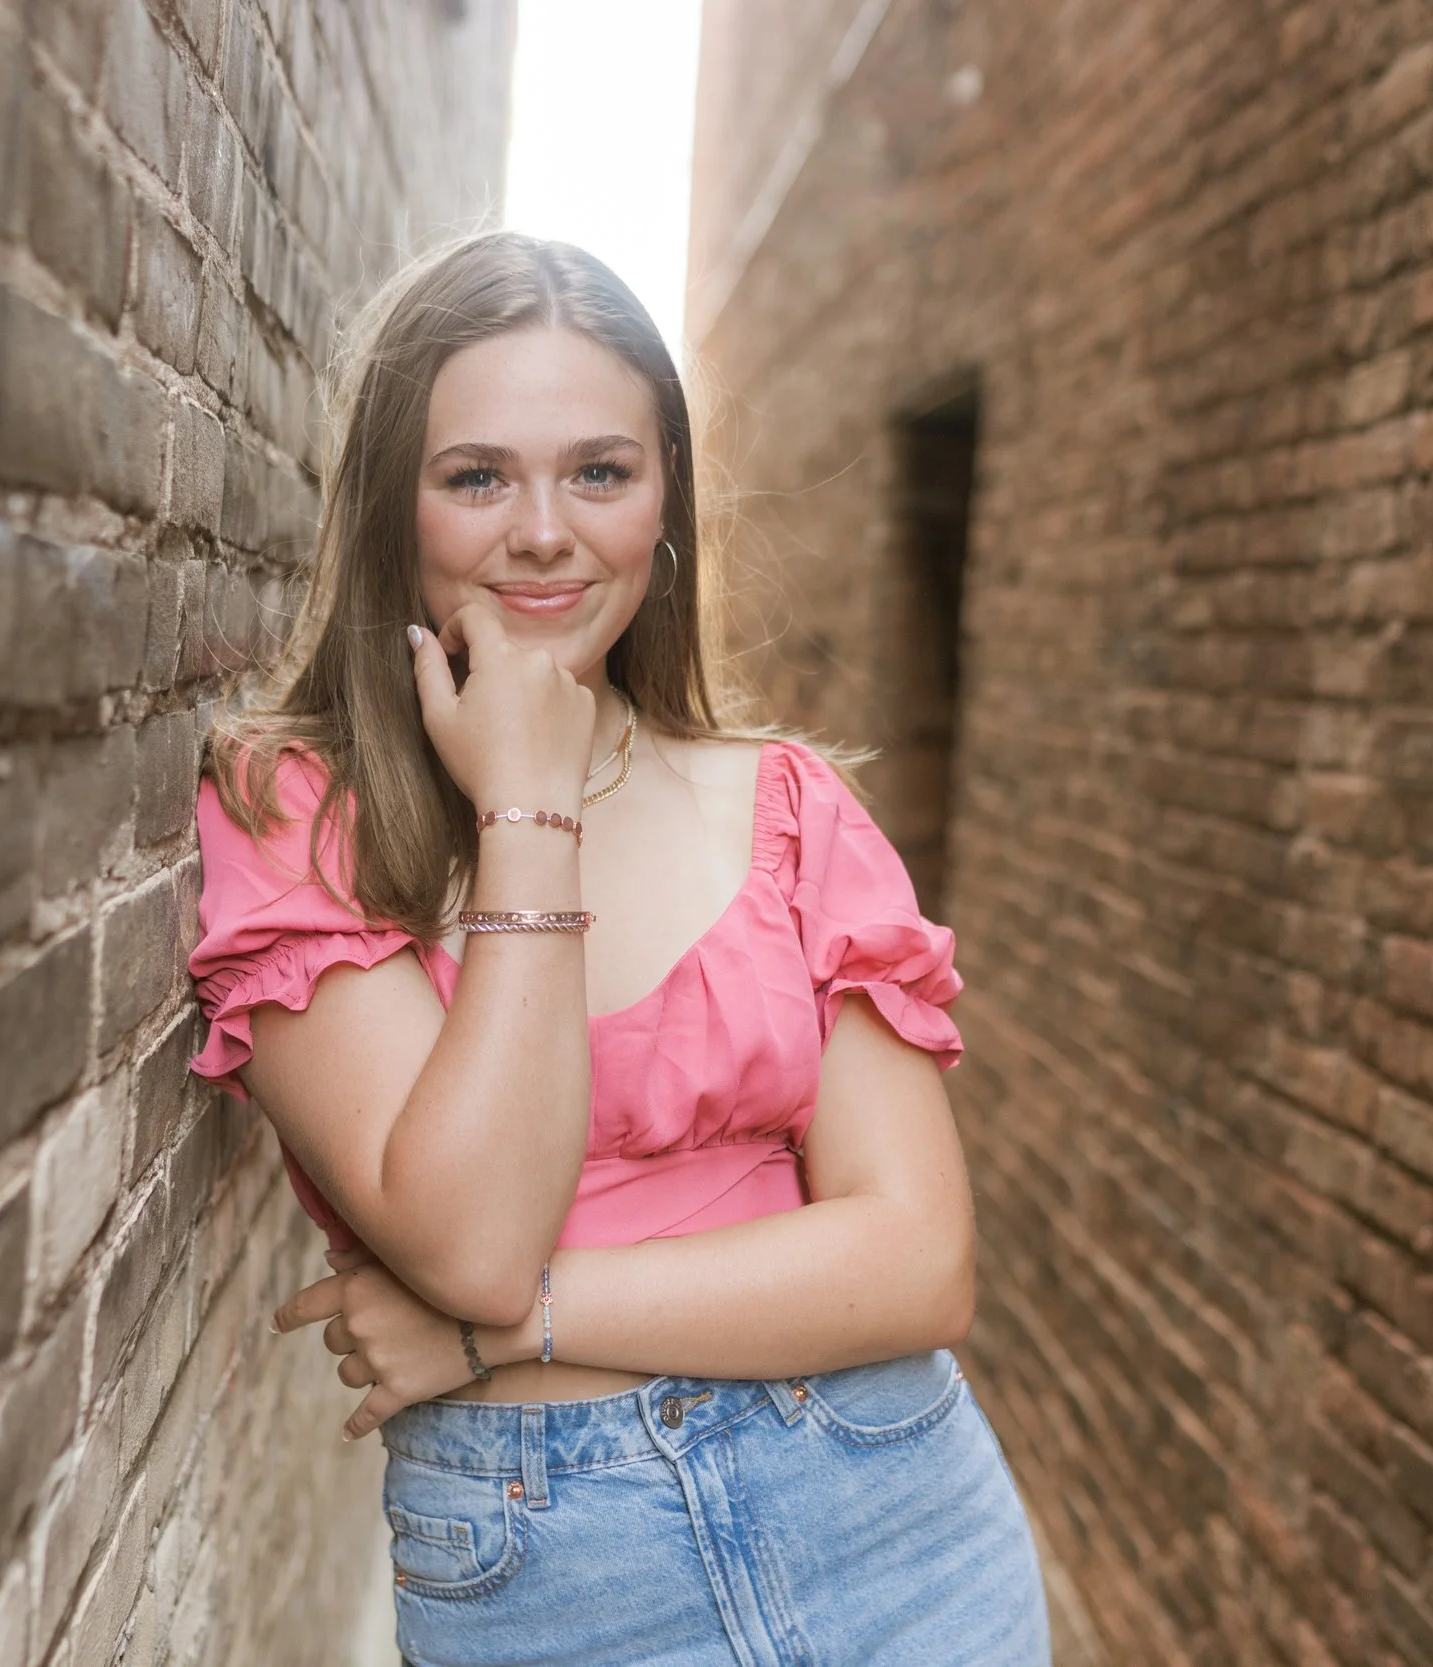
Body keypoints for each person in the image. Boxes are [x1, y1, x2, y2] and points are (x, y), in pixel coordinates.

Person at [186, 231, 1049, 1665]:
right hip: (560, 1570)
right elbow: (467, 1232)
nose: (544, 530)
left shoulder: (786, 806)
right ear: (395, 506)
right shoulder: (299, 816)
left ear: (666, 504)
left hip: (899, 1521)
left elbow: (917, 1260)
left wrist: (492, 1336)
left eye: (601, 471)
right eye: (478, 476)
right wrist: (527, 803)